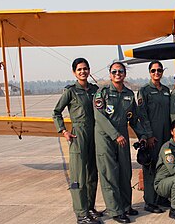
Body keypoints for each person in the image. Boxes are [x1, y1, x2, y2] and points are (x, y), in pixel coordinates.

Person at [93, 62, 152, 223]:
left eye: (120, 71)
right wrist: (115, 135)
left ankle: (126, 206)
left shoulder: (128, 94)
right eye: (114, 71)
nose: (117, 74)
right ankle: (115, 210)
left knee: (125, 172)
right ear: (110, 74)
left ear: (124, 74)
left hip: (122, 137)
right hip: (106, 137)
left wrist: (142, 135)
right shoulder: (102, 93)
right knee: (110, 174)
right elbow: (100, 118)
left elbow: (133, 119)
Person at [52, 58, 101, 224]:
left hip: (94, 134)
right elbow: (56, 112)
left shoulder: (95, 90)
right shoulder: (70, 92)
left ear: (89, 70)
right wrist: (63, 130)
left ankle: (90, 207)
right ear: (74, 72)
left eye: (85, 69)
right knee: (79, 176)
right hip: (78, 135)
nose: (83, 72)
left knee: (92, 174)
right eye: (79, 69)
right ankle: (81, 214)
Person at [136, 60, 170, 214]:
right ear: (149, 72)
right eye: (154, 70)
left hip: (166, 135)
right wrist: (148, 136)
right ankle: (150, 201)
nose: (157, 73)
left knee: (163, 166)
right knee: (150, 167)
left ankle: (161, 196)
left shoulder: (166, 90)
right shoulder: (144, 91)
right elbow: (142, 115)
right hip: (152, 135)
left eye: (159, 70)